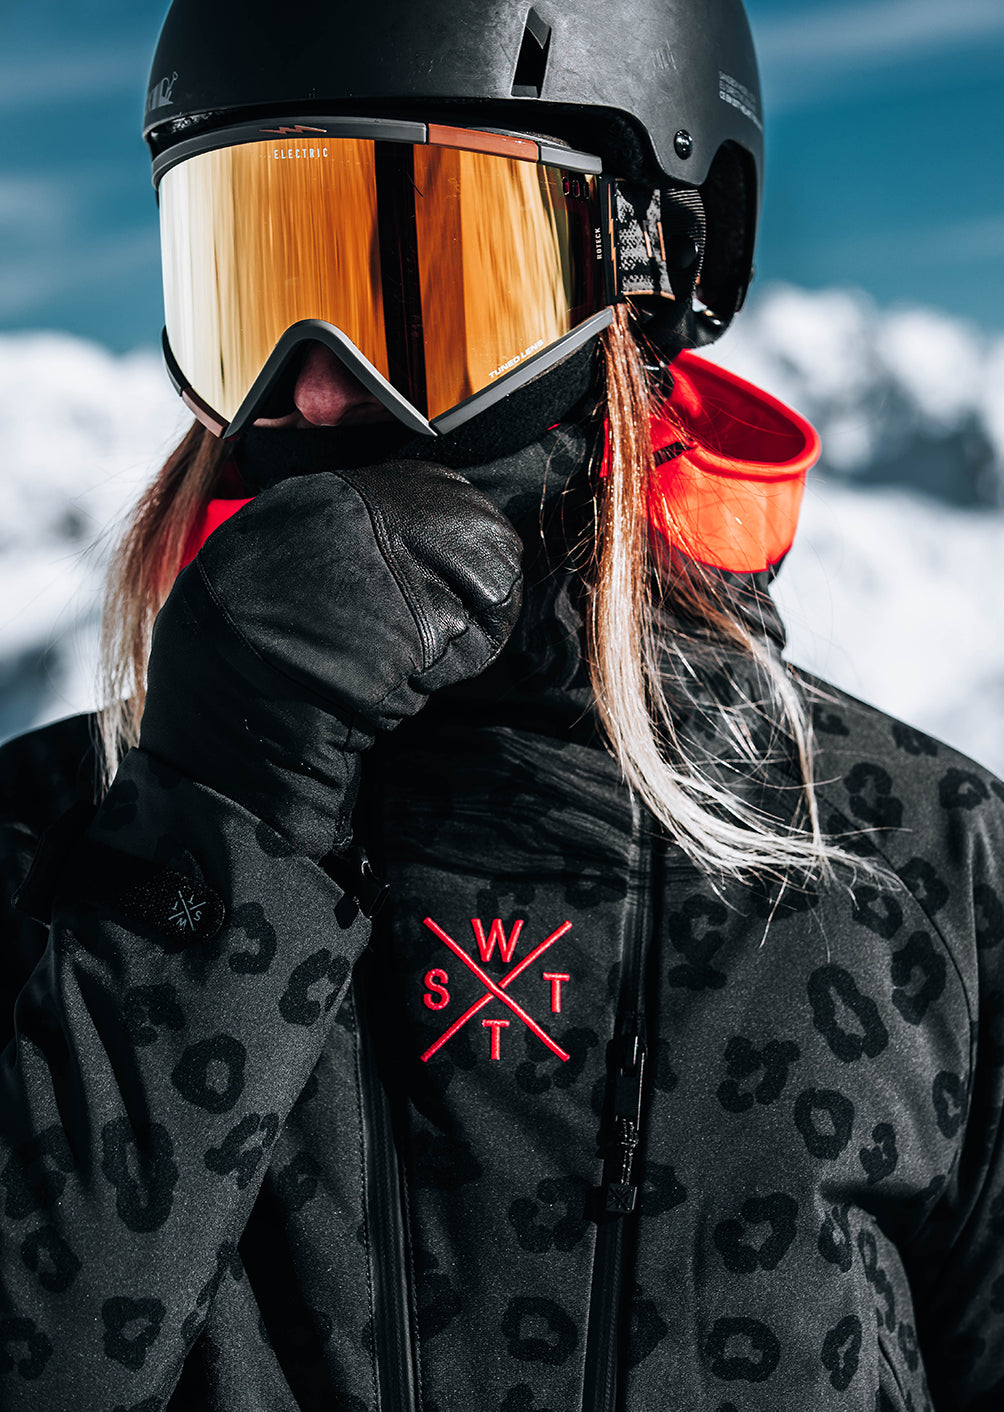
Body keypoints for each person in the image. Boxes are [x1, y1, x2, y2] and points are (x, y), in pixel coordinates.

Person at [1, 0, 1002, 1407]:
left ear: (654, 263)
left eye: (430, 280)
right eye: (253, 277)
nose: (316, 391)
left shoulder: (917, 869)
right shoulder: (49, 846)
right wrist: (216, 825)